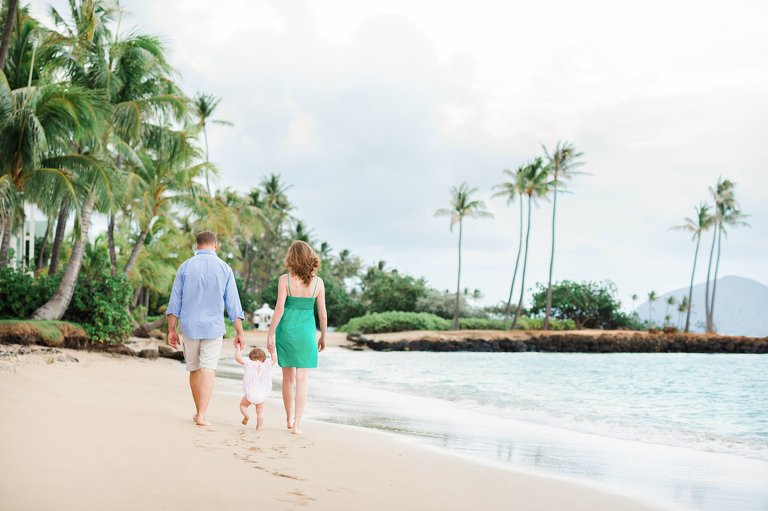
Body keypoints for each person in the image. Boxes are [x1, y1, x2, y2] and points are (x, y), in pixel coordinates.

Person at [166, 231, 245, 426]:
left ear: (197, 245)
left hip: (190, 326)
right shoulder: (224, 268)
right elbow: (233, 304)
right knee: (208, 369)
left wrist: (171, 329)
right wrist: (239, 332)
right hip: (214, 328)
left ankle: (198, 411)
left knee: (194, 369)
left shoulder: (185, 267)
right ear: (215, 245)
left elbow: (175, 300)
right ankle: (202, 414)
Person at [266, 240, 327, 434]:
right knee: (302, 379)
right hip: (306, 333)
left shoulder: (285, 280)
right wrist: (323, 336)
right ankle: (298, 425)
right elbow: (323, 313)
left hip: (286, 332)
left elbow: (279, 308)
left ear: (291, 257)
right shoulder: (318, 283)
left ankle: (289, 419)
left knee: (287, 379)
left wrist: (271, 334)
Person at [235, 345, 276, 430]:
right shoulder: (267, 364)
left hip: (250, 393)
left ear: (251, 357)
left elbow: (238, 358)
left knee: (243, 406)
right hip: (261, 394)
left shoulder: (248, 363)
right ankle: (259, 427)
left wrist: (238, 348)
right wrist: (272, 352)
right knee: (260, 412)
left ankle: (246, 415)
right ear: (263, 358)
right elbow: (274, 360)